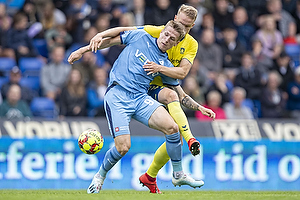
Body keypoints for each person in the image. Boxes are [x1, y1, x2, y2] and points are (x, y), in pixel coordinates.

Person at [68, 20, 215, 193]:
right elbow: (111, 40)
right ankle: (100, 175)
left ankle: (178, 173)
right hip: (118, 95)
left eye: (172, 38)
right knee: (123, 147)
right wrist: (82, 50)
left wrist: (199, 107)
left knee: (173, 128)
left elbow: (180, 94)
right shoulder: (141, 36)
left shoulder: (165, 65)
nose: (167, 39)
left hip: (139, 98)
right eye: (166, 34)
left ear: (175, 43)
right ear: (161, 32)